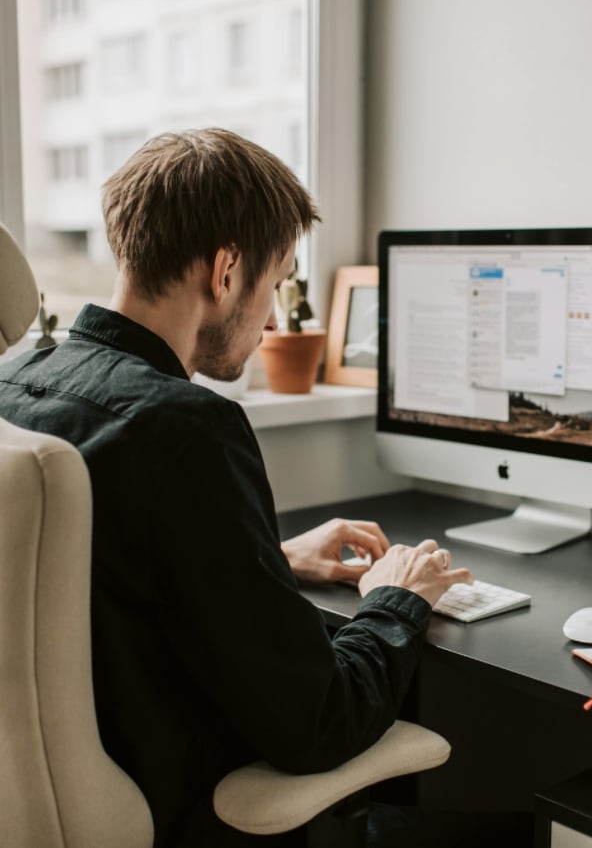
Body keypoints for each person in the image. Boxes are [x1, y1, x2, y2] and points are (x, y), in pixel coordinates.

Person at [0, 128, 477, 847]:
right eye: (278, 280)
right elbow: (317, 725)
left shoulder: (15, 383)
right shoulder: (187, 429)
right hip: (174, 802)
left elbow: (79, 580)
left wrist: (270, 559)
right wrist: (397, 598)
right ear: (226, 270)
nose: (272, 318)